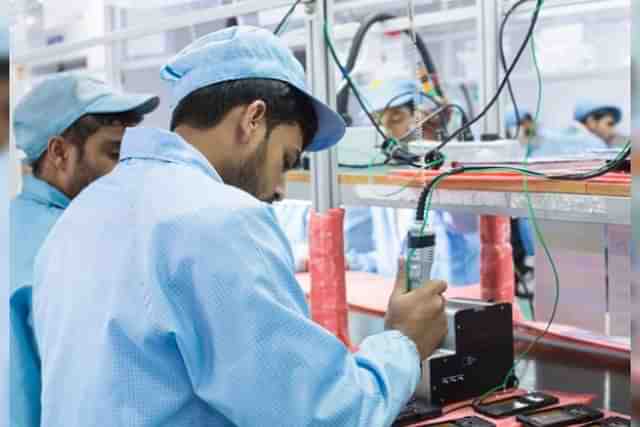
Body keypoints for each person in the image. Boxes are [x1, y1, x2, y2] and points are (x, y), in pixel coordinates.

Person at [31, 26, 448, 426]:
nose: (281, 189)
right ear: (253, 118)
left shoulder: (83, 211)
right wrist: (403, 343)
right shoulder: (217, 219)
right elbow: (321, 414)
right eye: (285, 161)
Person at [10, 74, 159, 427]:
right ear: (59, 152)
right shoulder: (65, 246)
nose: (128, 172)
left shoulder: (18, 223)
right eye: (114, 154)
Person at [368, 79, 480, 286]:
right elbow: (388, 252)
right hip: (399, 296)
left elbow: (466, 224)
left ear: (419, 117)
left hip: (453, 289)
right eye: (378, 121)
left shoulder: (437, 166)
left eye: (396, 118)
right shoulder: (380, 177)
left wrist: (440, 153)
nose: (387, 131)